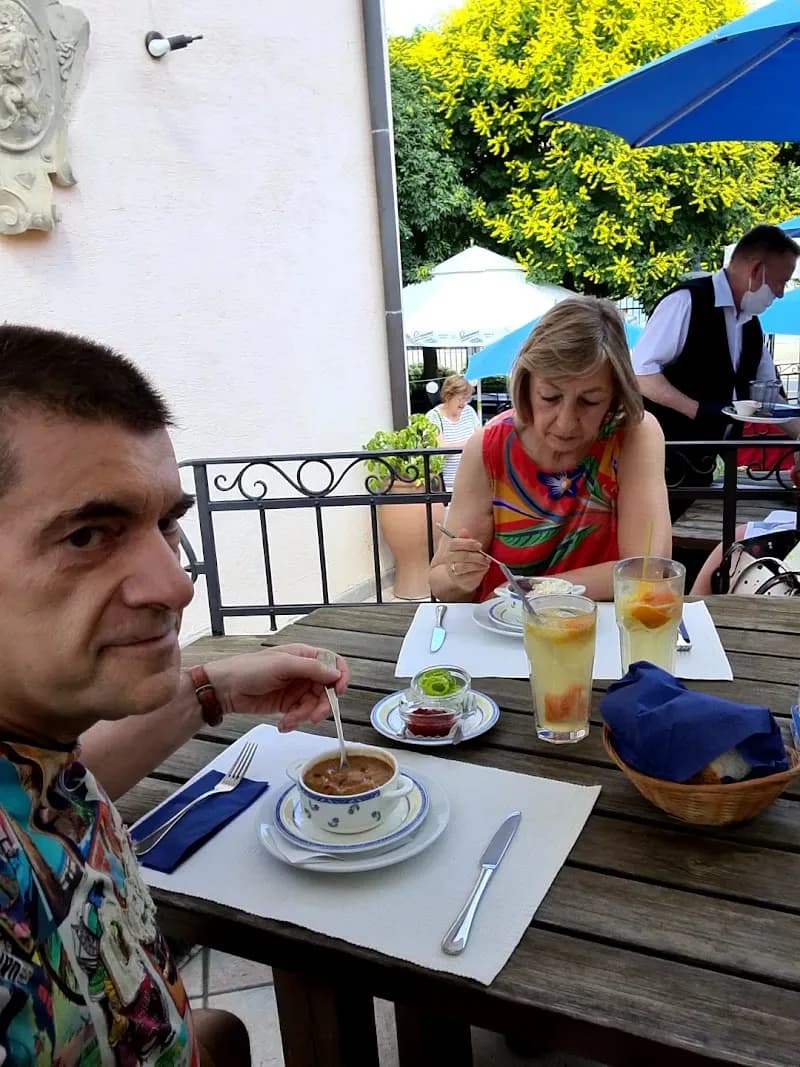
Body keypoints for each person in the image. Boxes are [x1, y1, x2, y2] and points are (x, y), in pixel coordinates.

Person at [0, 324, 349, 1066]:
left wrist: (212, 687)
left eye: (165, 522)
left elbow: (57, 789)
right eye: (88, 535)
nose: (177, 583)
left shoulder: (29, 745)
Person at [428, 297, 671, 603]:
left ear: (614, 397)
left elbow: (648, 569)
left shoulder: (634, 434)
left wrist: (531, 591)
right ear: (527, 386)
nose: (566, 422)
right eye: (550, 397)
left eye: (590, 401)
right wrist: (458, 575)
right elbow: (440, 583)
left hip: (598, 628)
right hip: (502, 627)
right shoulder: (489, 447)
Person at [633, 224, 800, 517]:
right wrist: (697, 410)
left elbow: (771, 397)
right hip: (661, 464)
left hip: (705, 465)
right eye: (780, 281)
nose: (781, 293)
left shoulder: (750, 323)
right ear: (756, 270)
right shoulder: (686, 301)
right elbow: (641, 375)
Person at [425, 374, 481, 489]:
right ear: (448, 396)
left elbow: (481, 438)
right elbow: (440, 448)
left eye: (467, 398)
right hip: (447, 486)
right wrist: (469, 443)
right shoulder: (433, 417)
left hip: (473, 482)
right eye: (460, 399)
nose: (464, 403)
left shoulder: (469, 411)